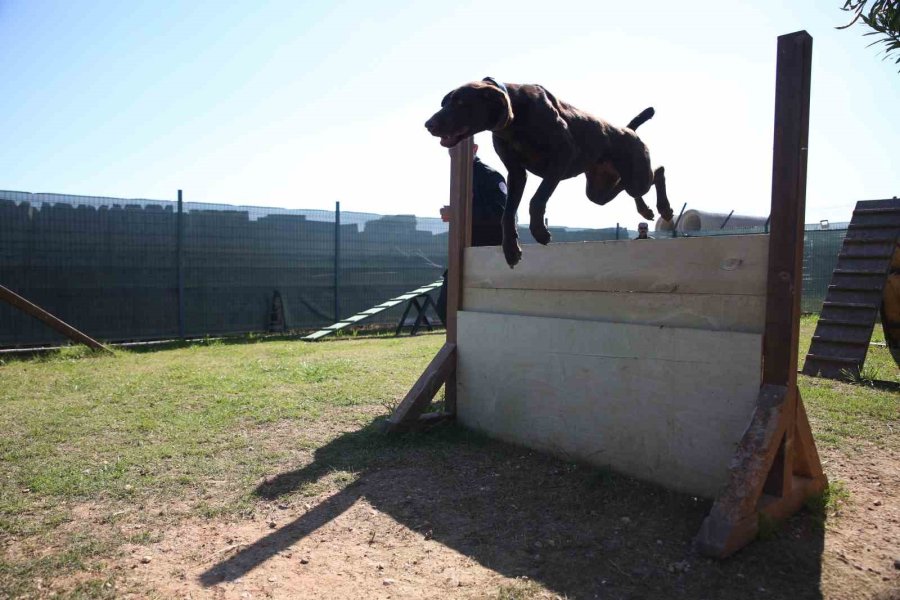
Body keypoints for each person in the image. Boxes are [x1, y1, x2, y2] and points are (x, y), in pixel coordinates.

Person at [436, 143, 507, 324]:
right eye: (451, 150)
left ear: (474, 148)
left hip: (486, 256)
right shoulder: (460, 176)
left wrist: (458, 212)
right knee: (446, 307)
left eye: (458, 149)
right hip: (463, 254)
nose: (453, 154)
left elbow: (501, 215)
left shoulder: (490, 176)